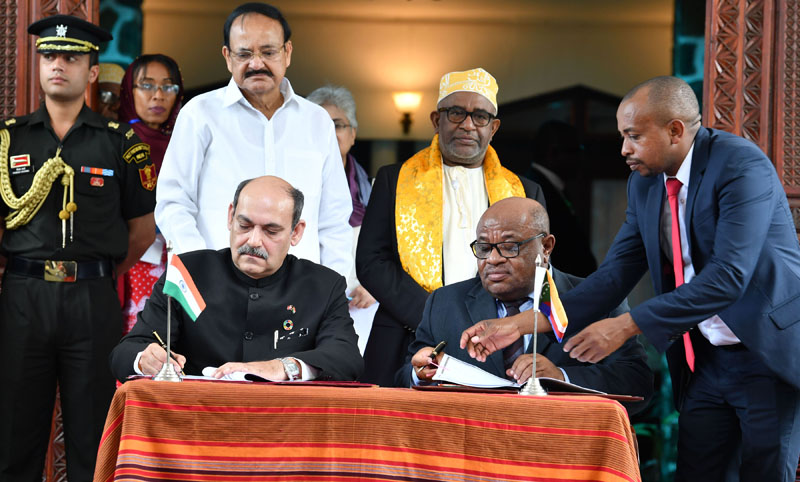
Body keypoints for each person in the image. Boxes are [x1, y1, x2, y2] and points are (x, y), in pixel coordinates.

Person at [461, 76, 800, 481]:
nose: (624, 149)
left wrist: (626, 325)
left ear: (675, 130)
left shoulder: (740, 165)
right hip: (704, 359)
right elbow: (612, 277)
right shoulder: (643, 184)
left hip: (765, 353)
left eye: (634, 136)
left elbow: (728, 277)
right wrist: (519, 323)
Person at [0, 15, 156, 481]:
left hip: (92, 298)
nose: (58, 65)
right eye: (49, 55)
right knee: (14, 434)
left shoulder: (121, 143)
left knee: (93, 434)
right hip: (23, 296)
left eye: (71, 57)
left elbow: (142, 231)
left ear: (91, 72)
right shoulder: (9, 140)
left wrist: (95, 272)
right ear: (38, 62)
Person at [356, 67, 545, 386]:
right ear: (436, 119)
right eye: (456, 113)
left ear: (494, 126)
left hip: (495, 341)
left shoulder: (525, 191)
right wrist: (435, 318)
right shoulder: (394, 179)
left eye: (480, 116)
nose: (468, 125)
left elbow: (536, 269)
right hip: (405, 333)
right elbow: (372, 261)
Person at [398, 197, 653, 414]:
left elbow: (636, 383)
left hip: (560, 456)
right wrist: (418, 373)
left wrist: (560, 378)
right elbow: (403, 378)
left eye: (509, 247)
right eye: (484, 248)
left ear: (546, 247)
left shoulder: (599, 300)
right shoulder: (444, 303)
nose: (493, 259)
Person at [155, 2, 352, 279]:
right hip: (216, 285)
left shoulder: (316, 121)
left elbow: (334, 218)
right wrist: (201, 272)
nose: (256, 63)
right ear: (227, 56)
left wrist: (331, 290)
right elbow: (173, 202)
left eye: (269, 52)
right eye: (244, 53)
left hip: (301, 292)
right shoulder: (199, 115)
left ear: (288, 52)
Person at [110, 176, 363, 382]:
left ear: (296, 232)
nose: (253, 241)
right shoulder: (187, 274)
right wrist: (145, 357)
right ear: (230, 217)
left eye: (271, 231)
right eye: (244, 225)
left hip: (286, 429)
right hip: (195, 422)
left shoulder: (322, 286)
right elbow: (126, 351)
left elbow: (347, 357)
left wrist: (284, 368)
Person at [117, 54, 184, 333]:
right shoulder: (115, 141)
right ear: (129, 92)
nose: (158, 96)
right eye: (146, 85)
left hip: (177, 257)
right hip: (129, 260)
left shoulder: (185, 142)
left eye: (168, 87)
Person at [307, 84, 375, 310]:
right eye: (319, 125)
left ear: (353, 134)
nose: (329, 133)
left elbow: (393, 254)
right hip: (307, 299)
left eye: (336, 125)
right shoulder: (288, 193)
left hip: (361, 304)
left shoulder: (375, 191)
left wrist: (376, 286)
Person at [526, 120, 597, 277]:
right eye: (578, 150)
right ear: (554, 153)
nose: (582, 158)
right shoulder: (535, 189)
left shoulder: (554, 187)